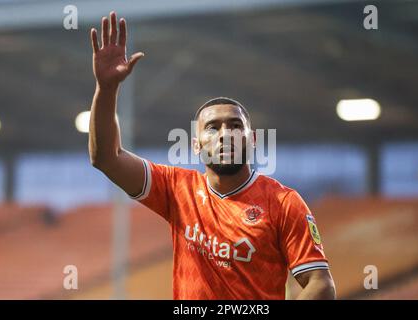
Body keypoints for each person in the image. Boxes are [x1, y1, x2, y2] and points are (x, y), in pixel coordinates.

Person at [89, 11, 336, 300]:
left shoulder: (283, 203)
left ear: (252, 140)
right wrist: (107, 89)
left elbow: (320, 284)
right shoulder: (177, 189)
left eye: (234, 126)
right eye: (213, 127)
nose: (225, 134)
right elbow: (106, 157)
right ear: (196, 144)